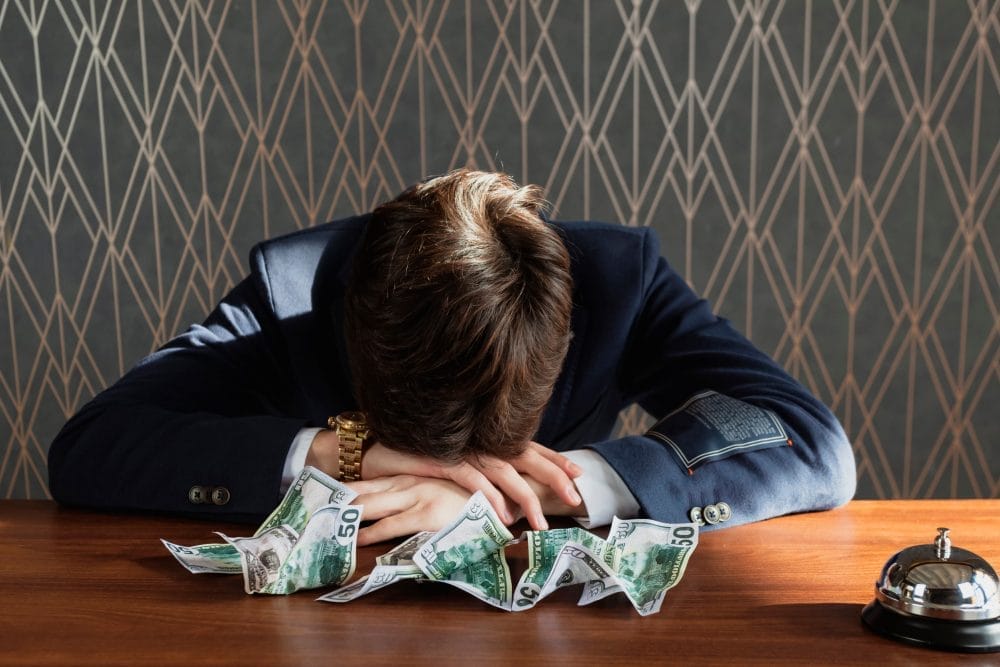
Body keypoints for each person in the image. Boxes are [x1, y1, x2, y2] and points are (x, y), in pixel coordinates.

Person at [47, 169, 856, 545]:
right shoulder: (292, 295)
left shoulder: (621, 283)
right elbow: (89, 446)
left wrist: (558, 485)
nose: (465, 471)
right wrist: (340, 450)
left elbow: (812, 442)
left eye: (487, 456)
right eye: (448, 460)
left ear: (570, 335)